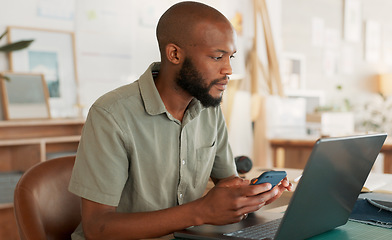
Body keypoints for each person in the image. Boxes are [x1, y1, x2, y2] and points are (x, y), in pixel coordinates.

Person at [68, 2, 291, 239]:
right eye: (217, 57)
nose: (228, 69)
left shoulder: (208, 108)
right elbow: (97, 227)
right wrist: (201, 211)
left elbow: (228, 183)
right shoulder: (111, 114)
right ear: (174, 54)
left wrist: (254, 195)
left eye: (230, 57)